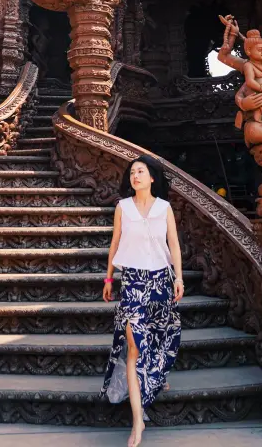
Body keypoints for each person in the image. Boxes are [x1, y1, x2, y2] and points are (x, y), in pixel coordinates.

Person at [101, 155, 183, 447]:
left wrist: (179, 278)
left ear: (151, 178)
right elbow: (115, 243)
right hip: (133, 283)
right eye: (132, 172)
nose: (135, 175)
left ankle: (158, 375)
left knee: (162, 337)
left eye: (141, 171)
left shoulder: (164, 208)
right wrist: (109, 279)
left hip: (161, 280)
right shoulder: (123, 208)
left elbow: (173, 243)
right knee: (135, 347)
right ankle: (138, 421)